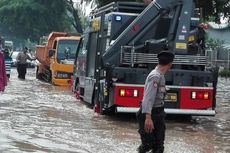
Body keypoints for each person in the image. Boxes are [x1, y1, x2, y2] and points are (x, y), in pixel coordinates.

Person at [137, 51, 174, 153]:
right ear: (170, 65)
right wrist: (148, 118)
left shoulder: (160, 75)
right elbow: (148, 98)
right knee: (147, 145)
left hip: (159, 113)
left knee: (159, 147)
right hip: (149, 114)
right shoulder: (155, 76)